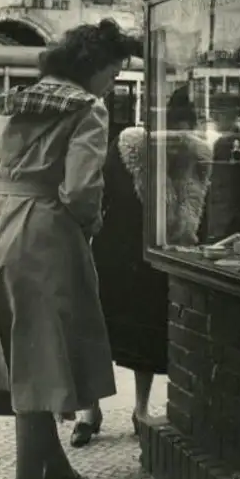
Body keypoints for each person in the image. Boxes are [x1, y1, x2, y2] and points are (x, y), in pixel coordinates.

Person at [0, 19, 137, 479]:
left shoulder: (14, 104)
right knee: (40, 363)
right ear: (95, 66)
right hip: (41, 237)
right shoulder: (89, 110)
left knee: (26, 361)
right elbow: (80, 189)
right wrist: (89, 224)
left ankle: (57, 470)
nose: (114, 80)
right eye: (115, 71)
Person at [71, 87, 212, 447]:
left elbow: (198, 213)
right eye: (174, 132)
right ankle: (91, 411)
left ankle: (139, 410)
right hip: (116, 255)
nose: (179, 140)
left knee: (144, 336)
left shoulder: (197, 159)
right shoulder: (127, 151)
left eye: (186, 133)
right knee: (99, 332)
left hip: (154, 262)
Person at [198, 92, 240, 244]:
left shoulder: (225, 143)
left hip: (224, 222)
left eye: (216, 115)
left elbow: (219, 187)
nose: (214, 119)